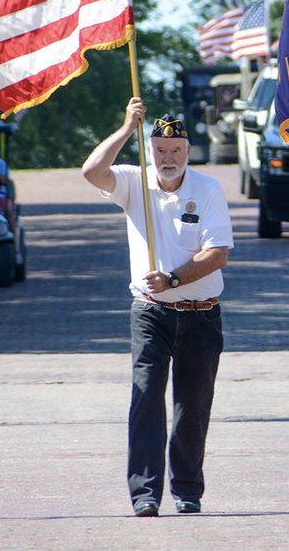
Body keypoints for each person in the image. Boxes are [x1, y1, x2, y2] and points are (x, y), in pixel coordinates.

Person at [82, 100, 232, 517]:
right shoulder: (134, 182)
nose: (168, 158)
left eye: (176, 150)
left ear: (188, 151)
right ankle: (145, 492)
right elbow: (92, 171)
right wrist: (127, 127)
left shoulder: (207, 189)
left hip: (201, 310)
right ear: (150, 150)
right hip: (151, 311)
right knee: (146, 397)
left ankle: (186, 488)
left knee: (193, 402)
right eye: (161, 149)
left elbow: (218, 253)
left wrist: (175, 278)